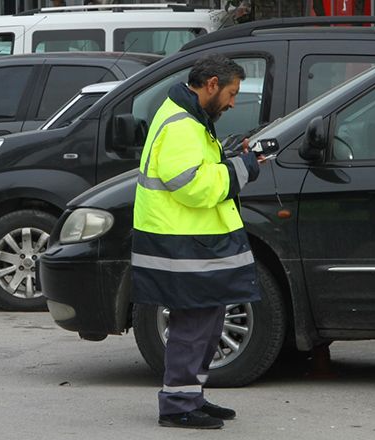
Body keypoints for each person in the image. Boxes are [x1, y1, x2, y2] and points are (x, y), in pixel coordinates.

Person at [131, 54, 262, 430]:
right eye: (232, 93)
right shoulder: (183, 124)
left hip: (189, 241)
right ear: (211, 85)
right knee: (194, 323)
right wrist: (243, 169)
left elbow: (197, 172)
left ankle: (190, 395)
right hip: (180, 244)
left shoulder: (190, 119)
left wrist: (230, 158)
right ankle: (177, 405)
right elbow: (191, 186)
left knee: (207, 319)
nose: (234, 102)